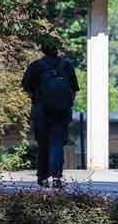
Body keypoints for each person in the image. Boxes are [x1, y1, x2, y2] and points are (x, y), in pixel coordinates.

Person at [22, 44, 79, 189]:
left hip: (41, 110)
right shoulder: (66, 66)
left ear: (42, 50)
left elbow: (26, 87)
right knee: (57, 144)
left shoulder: (36, 66)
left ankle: (43, 177)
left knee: (43, 144)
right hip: (61, 112)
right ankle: (57, 177)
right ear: (57, 50)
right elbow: (74, 89)